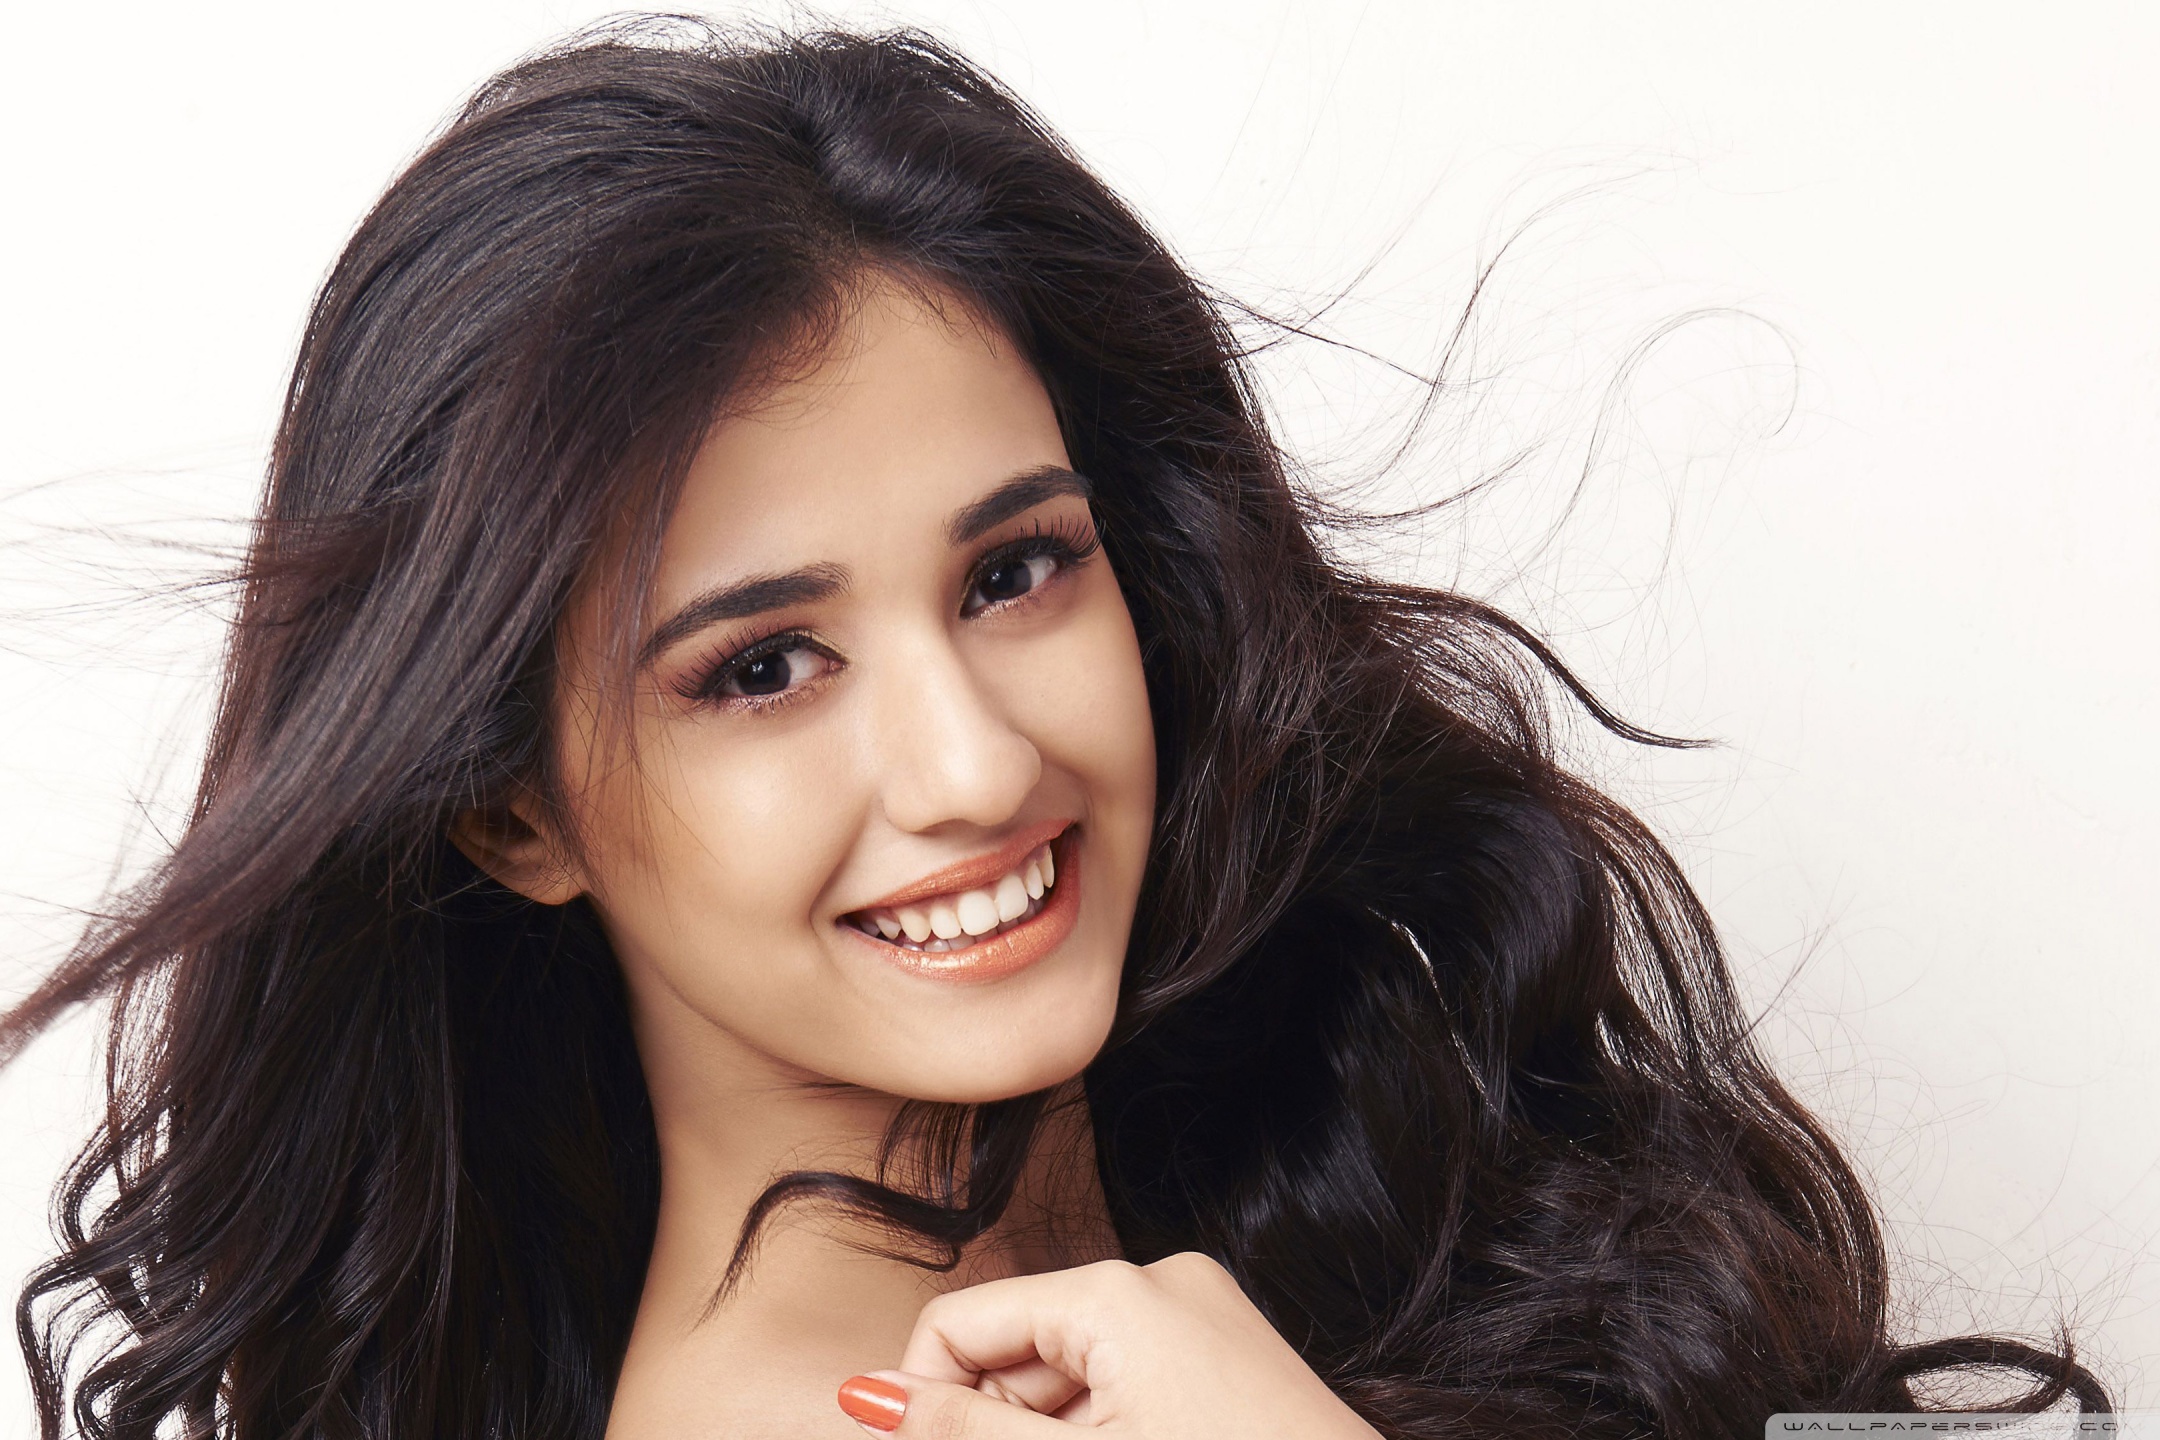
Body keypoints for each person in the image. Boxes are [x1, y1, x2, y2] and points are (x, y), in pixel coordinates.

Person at [0, 20, 2107, 1440]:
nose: (977, 766)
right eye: (761, 668)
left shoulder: (1358, 1188)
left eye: (1015, 571)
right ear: (507, 813)